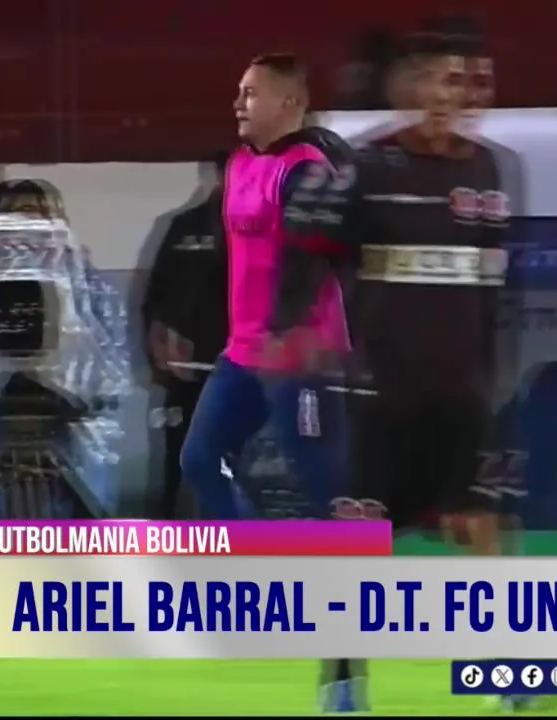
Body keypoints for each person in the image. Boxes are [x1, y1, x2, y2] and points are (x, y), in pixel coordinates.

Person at [283, 32, 514, 711]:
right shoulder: (363, 168)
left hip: (461, 388)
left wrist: (490, 371)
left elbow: (492, 285)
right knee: (361, 537)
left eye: (466, 83)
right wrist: (309, 335)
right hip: (381, 389)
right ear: (409, 89)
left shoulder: (492, 169)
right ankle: (343, 680)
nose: (453, 97)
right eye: (441, 80)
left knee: (482, 523)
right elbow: (304, 257)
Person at [176, 53, 355, 712]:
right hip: (244, 353)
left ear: (289, 103)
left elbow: (323, 264)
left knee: (326, 494)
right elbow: (226, 258)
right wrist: (185, 325)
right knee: (199, 458)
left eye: (251, 93)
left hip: (302, 356)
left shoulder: (308, 169)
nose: (238, 103)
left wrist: (294, 335)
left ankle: (343, 662)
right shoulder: (238, 164)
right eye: (238, 91)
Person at [0, 179, 129, 516]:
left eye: (35, 211)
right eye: (15, 211)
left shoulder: (79, 272)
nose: (25, 222)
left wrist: (103, 386)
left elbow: (105, 331)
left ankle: (86, 536)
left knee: (84, 474)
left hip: (66, 396)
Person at [139, 152, 228, 519]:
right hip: (188, 367)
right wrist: (160, 356)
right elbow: (156, 299)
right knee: (180, 450)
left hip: (249, 367)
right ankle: (171, 527)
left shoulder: (274, 229)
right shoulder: (185, 226)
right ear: (217, 174)